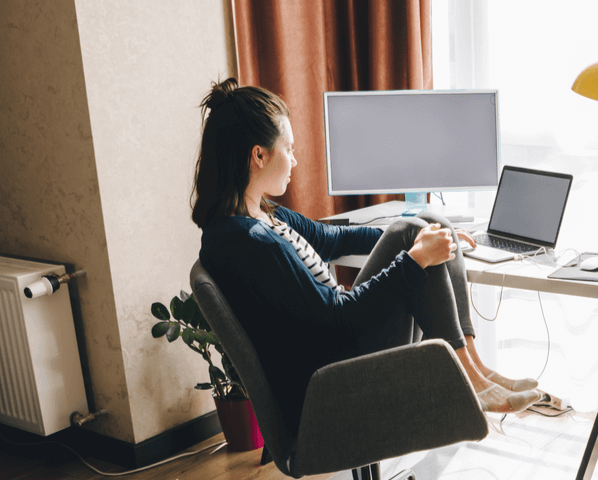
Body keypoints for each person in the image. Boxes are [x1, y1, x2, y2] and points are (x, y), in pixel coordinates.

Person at [191, 78, 539, 431]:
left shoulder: (263, 217)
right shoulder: (254, 244)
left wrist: (420, 240)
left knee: (426, 224)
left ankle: (475, 368)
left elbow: (333, 239)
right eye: (290, 149)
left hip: (343, 347)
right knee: (418, 241)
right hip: (337, 378)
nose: (295, 160)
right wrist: (415, 258)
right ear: (259, 155)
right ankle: (471, 381)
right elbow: (340, 321)